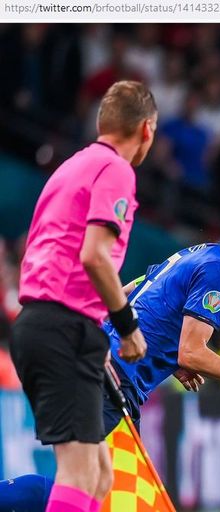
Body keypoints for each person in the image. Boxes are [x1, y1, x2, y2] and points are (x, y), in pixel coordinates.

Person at [1, 204, 220, 512]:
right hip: (109, 377)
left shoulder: (196, 254)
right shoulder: (219, 273)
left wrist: (172, 355)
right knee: (94, 486)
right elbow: (192, 352)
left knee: (102, 488)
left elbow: (133, 292)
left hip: (99, 367)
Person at [8, 80, 155, 512]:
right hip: (62, 326)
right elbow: (95, 256)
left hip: (50, 323)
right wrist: (126, 328)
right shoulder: (116, 170)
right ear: (146, 130)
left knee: (99, 475)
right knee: (78, 473)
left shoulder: (71, 167)